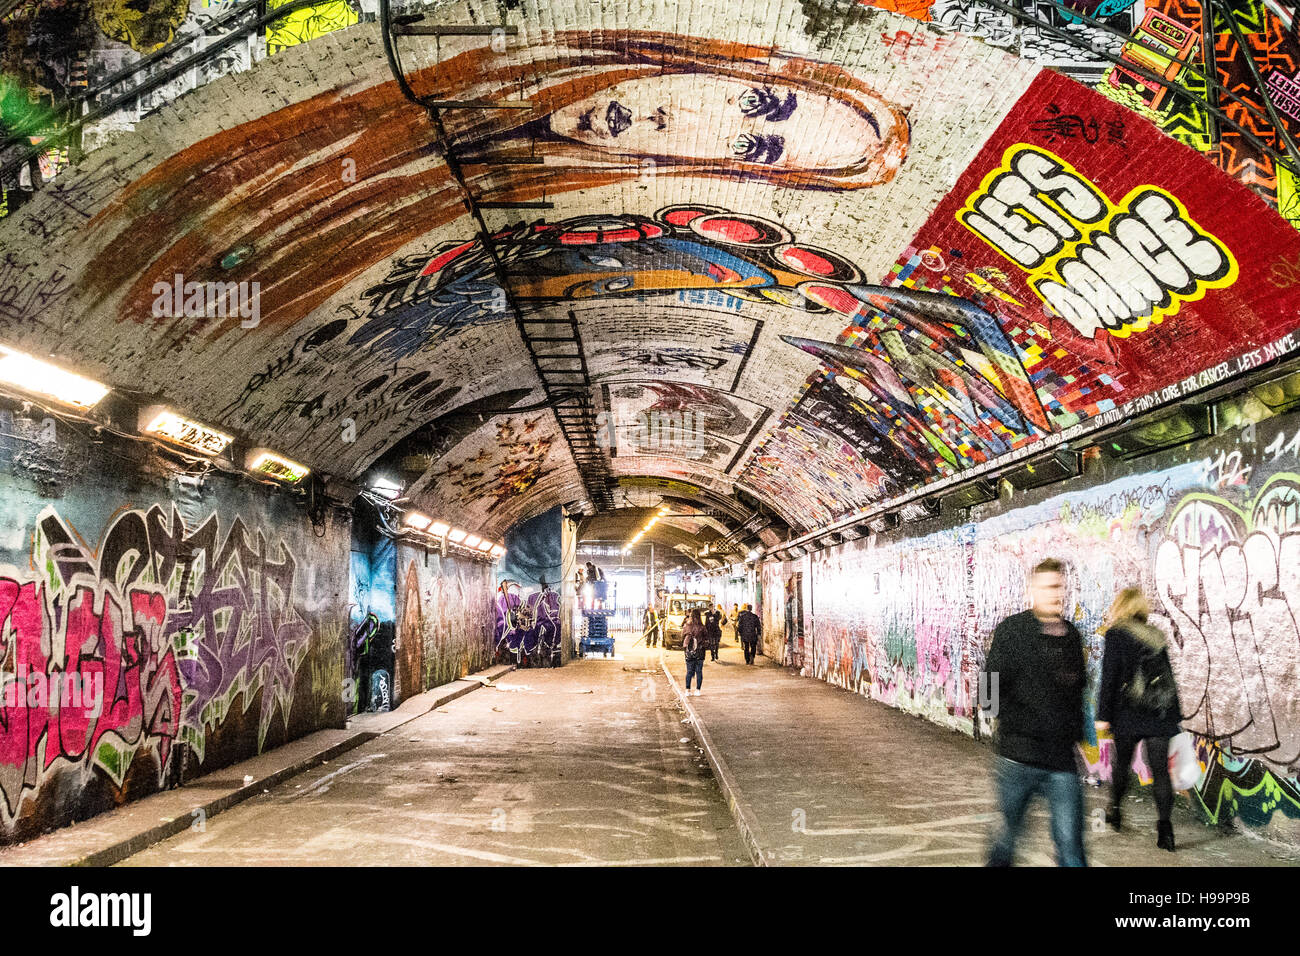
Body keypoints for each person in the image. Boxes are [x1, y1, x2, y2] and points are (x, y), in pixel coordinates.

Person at [981, 558, 1088, 867]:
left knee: (1071, 847)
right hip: (1018, 758)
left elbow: (1076, 694)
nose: (1056, 594)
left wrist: (1077, 741)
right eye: (1049, 587)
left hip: (1061, 762)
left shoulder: (1071, 637)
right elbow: (989, 691)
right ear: (1033, 590)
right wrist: (1009, 727)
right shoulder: (1012, 631)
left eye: (1060, 587)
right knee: (1006, 841)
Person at [1095, 588, 1183, 852]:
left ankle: (1116, 811)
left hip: (1129, 713)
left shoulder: (1116, 634)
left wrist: (1103, 716)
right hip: (1159, 713)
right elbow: (1167, 677)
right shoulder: (1155, 636)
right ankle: (1165, 830)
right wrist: (1173, 715)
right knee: (1161, 772)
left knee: (1122, 764)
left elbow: (1109, 677)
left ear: (1120, 606)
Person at [682, 609, 707, 696]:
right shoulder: (702, 627)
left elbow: (682, 636)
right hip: (700, 652)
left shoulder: (687, 626)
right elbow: (706, 639)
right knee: (699, 671)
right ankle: (697, 690)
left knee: (689, 671)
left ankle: (687, 690)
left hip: (689, 651)